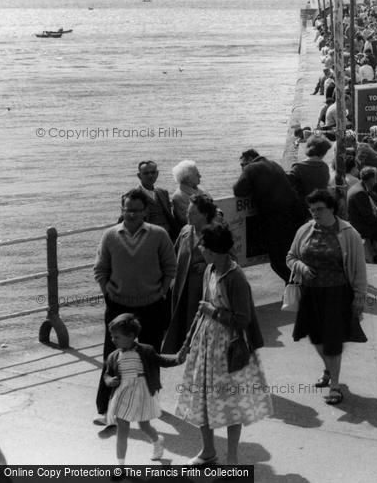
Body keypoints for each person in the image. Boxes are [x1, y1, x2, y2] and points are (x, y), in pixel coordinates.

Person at [175, 222, 272, 465]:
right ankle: (208, 451)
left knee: (231, 404)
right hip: (207, 345)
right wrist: (187, 343)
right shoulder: (210, 270)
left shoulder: (235, 277)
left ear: (215, 250)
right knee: (203, 401)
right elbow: (202, 310)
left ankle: (232, 459)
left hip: (228, 348)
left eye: (203, 246)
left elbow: (242, 318)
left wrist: (214, 313)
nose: (200, 249)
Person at [93, 189, 177, 424]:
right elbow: (100, 269)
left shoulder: (159, 235)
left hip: (152, 305)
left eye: (136, 211)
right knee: (111, 358)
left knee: (150, 356)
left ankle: (150, 402)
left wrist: (162, 291)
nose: (131, 214)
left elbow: (171, 267)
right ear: (122, 210)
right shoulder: (110, 236)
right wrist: (108, 292)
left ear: (146, 212)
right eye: (127, 210)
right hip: (118, 306)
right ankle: (105, 410)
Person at [287, 189, 367, 406]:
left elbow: (359, 269)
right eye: (312, 210)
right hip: (311, 293)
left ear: (331, 208)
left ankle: (335, 386)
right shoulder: (305, 230)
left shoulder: (349, 234)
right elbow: (291, 257)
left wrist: (359, 297)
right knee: (316, 338)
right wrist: (301, 267)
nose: (315, 213)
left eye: (319, 209)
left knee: (332, 342)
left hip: (337, 294)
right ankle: (329, 369)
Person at [103, 314, 179, 465]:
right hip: (123, 394)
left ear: (131, 336)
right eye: (112, 336)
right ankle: (121, 465)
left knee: (144, 425)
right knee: (122, 431)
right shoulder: (113, 356)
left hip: (143, 393)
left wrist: (178, 358)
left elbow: (162, 361)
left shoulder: (146, 351)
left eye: (116, 337)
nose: (113, 340)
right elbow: (106, 374)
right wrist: (110, 380)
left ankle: (157, 441)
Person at [233, 149, 308, 283]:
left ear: (250, 159)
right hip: (293, 218)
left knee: (278, 262)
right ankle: (297, 288)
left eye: (242, 165)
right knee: (291, 257)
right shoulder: (273, 164)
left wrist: (246, 174)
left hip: (276, 223)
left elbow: (238, 190)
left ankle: (297, 288)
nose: (242, 168)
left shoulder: (251, 168)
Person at [162, 193, 218, 354]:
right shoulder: (186, 230)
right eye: (188, 212)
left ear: (205, 215)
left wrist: (208, 263)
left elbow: (231, 259)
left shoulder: (215, 232)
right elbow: (173, 254)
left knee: (202, 324)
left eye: (192, 213)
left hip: (204, 290)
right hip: (182, 288)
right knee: (182, 323)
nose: (187, 215)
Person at [136, 160, 179, 241]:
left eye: (153, 172)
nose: (150, 176)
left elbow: (169, 215)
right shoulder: (133, 195)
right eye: (146, 173)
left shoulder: (163, 193)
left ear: (157, 173)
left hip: (167, 236)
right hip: (147, 238)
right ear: (139, 175)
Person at [288, 134, 331, 201]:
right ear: (324, 152)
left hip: (303, 206)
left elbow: (287, 187)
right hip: (321, 203)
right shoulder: (324, 167)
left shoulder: (298, 167)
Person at [171, 160, 203, 227]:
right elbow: (188, 220)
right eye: (197, 174)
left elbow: (215, 208)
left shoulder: (200, 190)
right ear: (188, 179)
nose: (200, 176)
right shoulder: (178, 197)